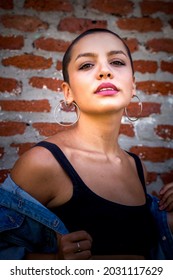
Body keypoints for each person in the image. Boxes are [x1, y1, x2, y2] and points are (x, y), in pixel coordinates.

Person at [0, 28, 173, 260]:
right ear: (68, 92)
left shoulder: (137, 167)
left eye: (117, 62)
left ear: (133, 86)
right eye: (86, 65)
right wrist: (55, 262)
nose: (104, 71)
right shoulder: (43, 163)